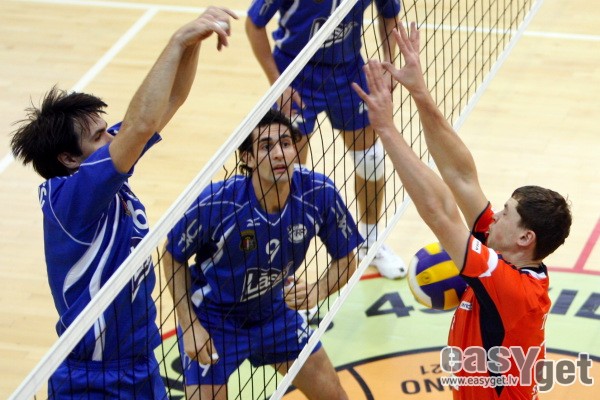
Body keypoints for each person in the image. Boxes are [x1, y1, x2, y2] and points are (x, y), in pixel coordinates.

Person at [9, 7, 237, 399]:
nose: (113, 138)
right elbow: (140, 125)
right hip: (92, 381)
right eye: (100, 135)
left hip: (139, 363)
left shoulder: (101, 166)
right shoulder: (72, 198)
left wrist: (194, 44)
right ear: (69, 158)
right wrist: (177, 40)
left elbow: (173, 98)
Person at [353, 23, 572, 399]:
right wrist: (419, 92)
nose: (495, 216)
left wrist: (386, 129)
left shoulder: (512, 288)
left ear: (525, 237)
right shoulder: (507, 254)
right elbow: (461, 176)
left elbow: (440, 213)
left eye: (506, 213)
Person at [162, 109, 360, 400]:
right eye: (267, 146)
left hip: (274, 312)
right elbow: (172, 255)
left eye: (286, 143)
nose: (279, 154)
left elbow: (346, 260)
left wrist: (319, 289)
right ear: (248, 158)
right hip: (215, 319)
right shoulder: (217, 203)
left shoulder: (318, 194)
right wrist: (189, 325)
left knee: (335, 397)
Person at [246, 0, 407, 279]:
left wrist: (388, 62)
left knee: (371, 160)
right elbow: (253, 24)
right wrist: (278, 82)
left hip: (347, 72)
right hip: (296, 71)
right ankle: (282, 265)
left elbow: (389, 14)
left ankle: (370, 241)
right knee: (287, 173)